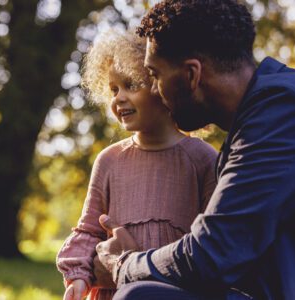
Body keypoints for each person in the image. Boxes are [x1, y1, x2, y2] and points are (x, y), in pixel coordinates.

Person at [94, 0, 295, 299]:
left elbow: (211, 254)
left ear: (191, 75)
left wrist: (124, 265)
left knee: (138, 296)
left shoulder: (283, 112)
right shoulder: (265, 113)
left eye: (155, 75)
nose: (156, 90)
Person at [55, 29, 218, 300]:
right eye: (113, 89)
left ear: (162, 86)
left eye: (131, 85)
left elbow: (213, 241)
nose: (118, 98)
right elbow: (89, 230)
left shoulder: (201, 159)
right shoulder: (109, 160)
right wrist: (78, 276)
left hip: (171, 291)